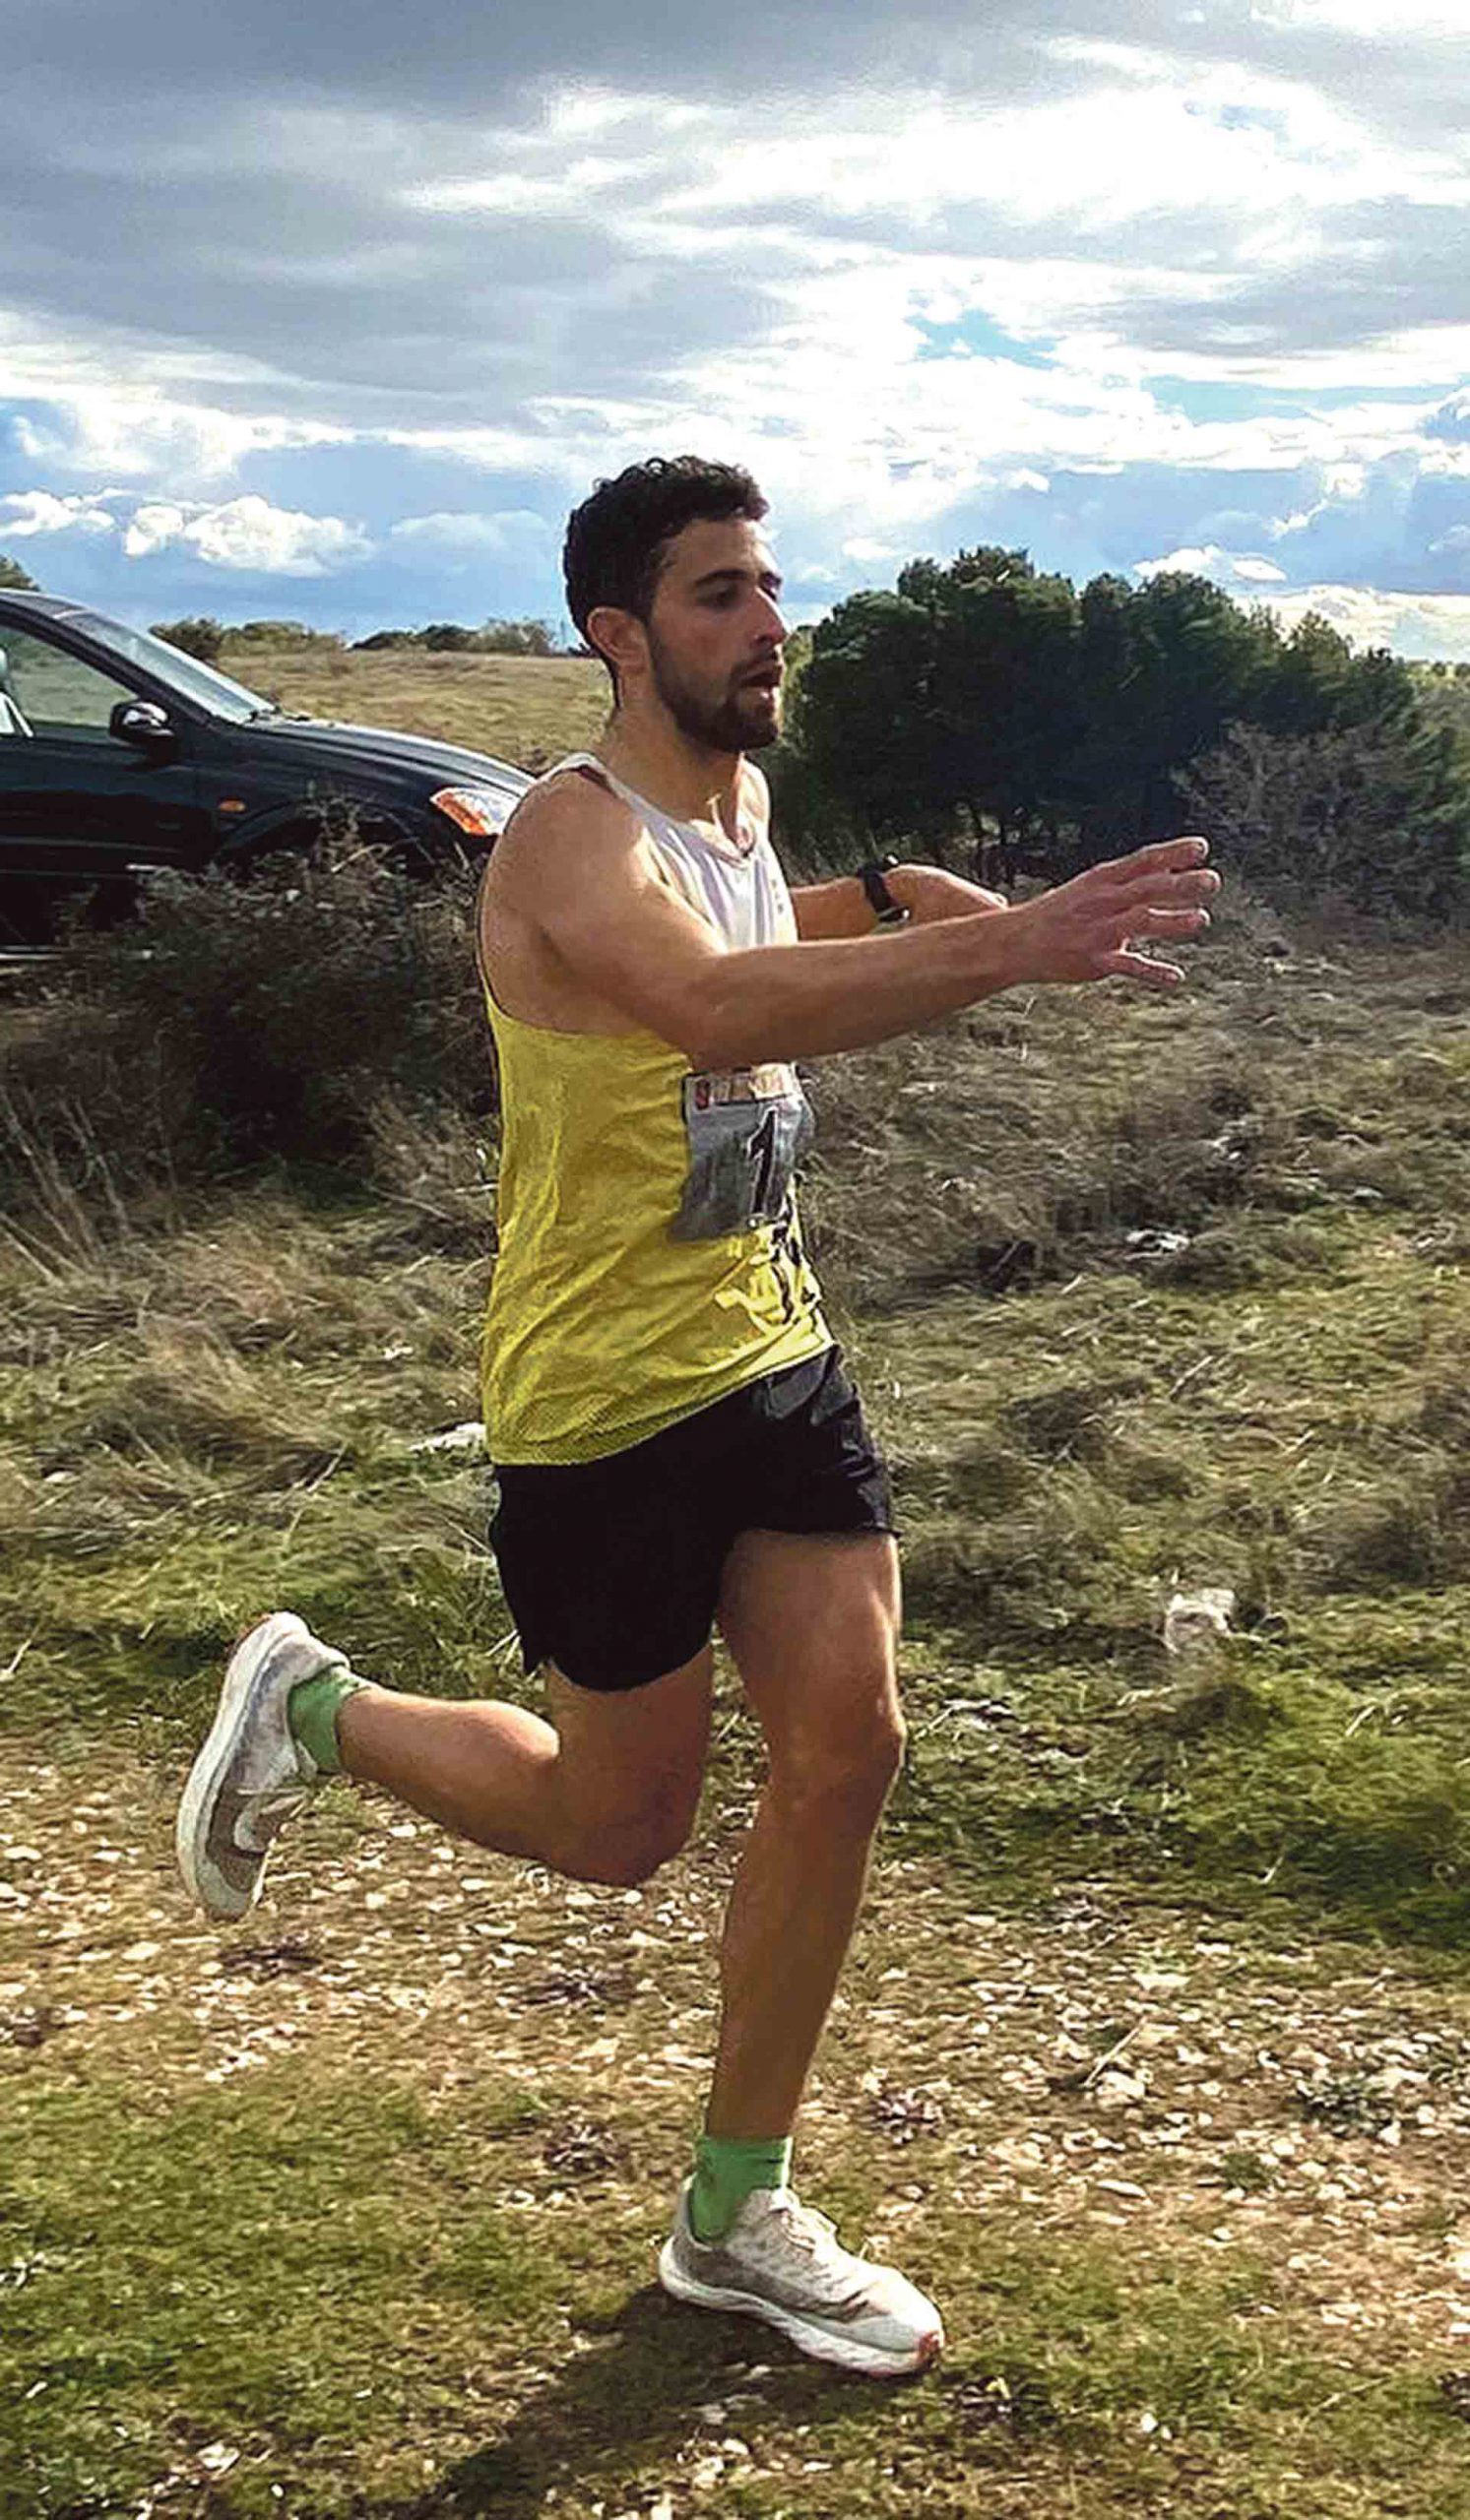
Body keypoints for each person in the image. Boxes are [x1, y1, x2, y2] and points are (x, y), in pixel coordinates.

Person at [176, 456, 1218, 2378]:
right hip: (599, 1401)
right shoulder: (566, 842)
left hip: (770, 1346)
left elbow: (766, 918)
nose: (770, 621)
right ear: (617, 631)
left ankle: (736, 2205)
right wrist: (1006, 943)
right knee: (617, 1822)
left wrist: (901, 894)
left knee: (852, 1733)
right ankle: (310, 1705)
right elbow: (719, 1003)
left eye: (770, 583)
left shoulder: (727, 796)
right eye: (723, 592)